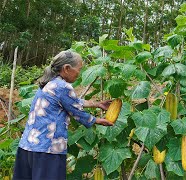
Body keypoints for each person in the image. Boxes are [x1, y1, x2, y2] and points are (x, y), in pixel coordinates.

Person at [13, 50, 114, 180]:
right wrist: (98, 120)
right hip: (47, 149)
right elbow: (76, 112)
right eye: (79, 69)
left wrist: (97, 104)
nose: (80, 73)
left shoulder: (49, 83)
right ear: (66, 68)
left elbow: (71, 102)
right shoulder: (63, 86)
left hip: (28, 147)